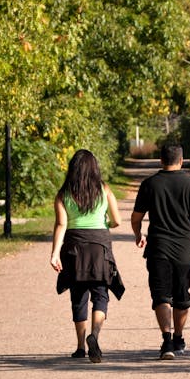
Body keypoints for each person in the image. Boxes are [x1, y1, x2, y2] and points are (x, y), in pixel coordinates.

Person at [131, 144, 190, 360]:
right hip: (184, 251)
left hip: (158, 249)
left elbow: (136, 218)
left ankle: (166, 341)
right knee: (182, 297)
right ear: (181, 160)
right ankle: (178, 338)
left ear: (160, 160)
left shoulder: (149, 184)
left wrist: (138, 235)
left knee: (161, 296)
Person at [51, 149, 124, 363]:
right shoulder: (105, 190)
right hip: (100, 247)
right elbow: (117, 220)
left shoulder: (64, 194)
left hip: (74, 249)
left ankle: (80, 347)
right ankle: (96, 335)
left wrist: (55, 254)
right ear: (94, 168)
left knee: (78, 297)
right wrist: (104, 225)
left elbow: (61, 224)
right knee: (101, 295)